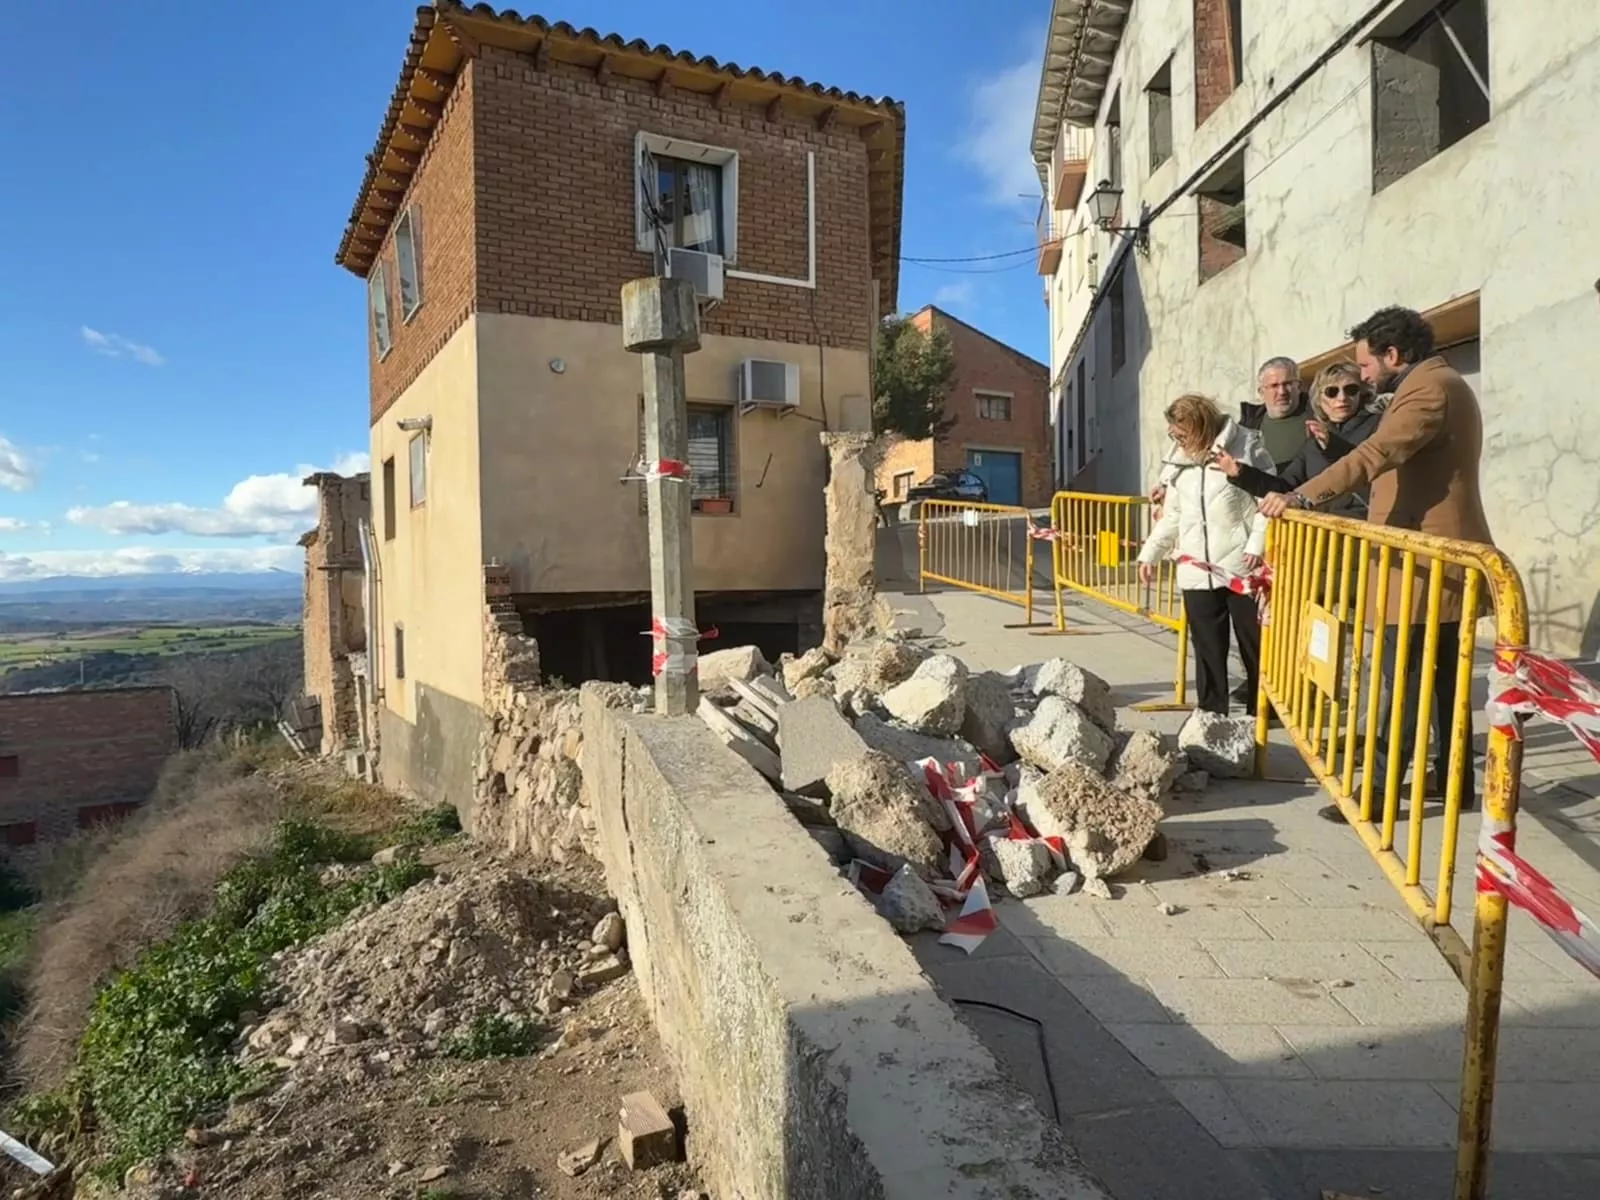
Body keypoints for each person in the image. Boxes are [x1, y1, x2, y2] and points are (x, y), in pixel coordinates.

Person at [1259, 306, 1494, 815]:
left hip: (1426, 564)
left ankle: (1380, 794)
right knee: (1441, 682)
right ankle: (1451, 781)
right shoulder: (1437, 382)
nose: (1360, 378)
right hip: (1432, 560)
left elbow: (1375, 454)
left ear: (1394, 354)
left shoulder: (1429, 389)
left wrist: (1302, 497)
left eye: (1365, 367)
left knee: (1407, 678)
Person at [1136, 394, 1275, 716]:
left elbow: (1268, 500)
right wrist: (1150, 554)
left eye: (1182, 433)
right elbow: (1173, 515)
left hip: (1242, 566)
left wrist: (1256, 545)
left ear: (1201, 427)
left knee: (1254, 643)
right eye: (1174, 434)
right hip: (1197, 569)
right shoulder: (1177, 463)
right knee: (1208, 647)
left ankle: (1262, 709)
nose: (1177, 439)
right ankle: (1212, 712)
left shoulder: (1246, 448)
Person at [1214, 359, 1381, 518]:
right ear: (1320, 399)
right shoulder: (1315, 441)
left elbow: (1367, 467)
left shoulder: (1379, 424)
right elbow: (1286, 487)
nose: (1342, 398)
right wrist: (1241, 473)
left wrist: (1332, 446)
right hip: (1319, 536)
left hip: (1366, 533)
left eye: (1351, 390)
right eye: (1332, 392)